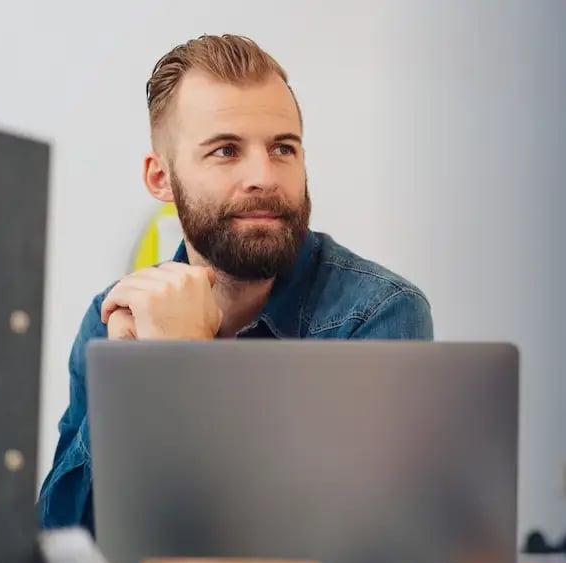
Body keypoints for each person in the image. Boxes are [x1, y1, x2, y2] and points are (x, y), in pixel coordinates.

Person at [38, 34, 433, 532]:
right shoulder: (115, 319)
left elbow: (353, 550)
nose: (263, 176)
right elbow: (66, 540)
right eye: (226, 150)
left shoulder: (378, 313)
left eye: (283, 148)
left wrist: (191, 370)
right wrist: (134, 384)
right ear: (161, 177)